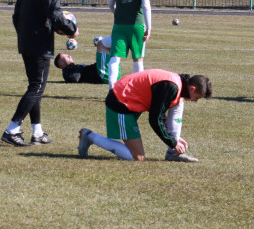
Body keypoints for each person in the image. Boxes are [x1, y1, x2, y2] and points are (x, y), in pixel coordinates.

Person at [2, 0, 77, 146]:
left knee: (35, 86)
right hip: (39, 45)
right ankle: (12, 129)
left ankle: (37, 131)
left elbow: (15, 16)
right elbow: (55, 14)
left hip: (26, 43)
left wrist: (24, 35)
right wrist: (71, 29)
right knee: (36, 87)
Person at [78, 69, 212, 162]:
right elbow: (155, 118)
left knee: (179, 102)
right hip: (120, 103)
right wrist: (172, 141)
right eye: (197, 97)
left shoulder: (178, 84)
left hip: (130, 103)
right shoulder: (171, 86)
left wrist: (174, 139)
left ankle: (172, 154)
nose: (195, 101)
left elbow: (160, 115)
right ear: (192, 88)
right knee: (137, 157)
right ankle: (89, 136)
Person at [107, 0, 152, 86]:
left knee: (115, 57)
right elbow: (146, 6)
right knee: (138, 58)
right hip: (137, 25)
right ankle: (136, 90)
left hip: (119, 25)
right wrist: (149, 27)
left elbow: (110, 3)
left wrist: (116, 13)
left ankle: (112, 89)